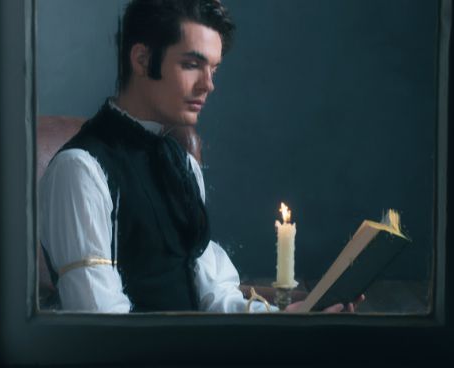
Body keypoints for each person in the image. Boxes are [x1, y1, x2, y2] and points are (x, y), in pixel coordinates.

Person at [38, 0, 363, 313]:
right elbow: (103, 329)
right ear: (141, 59)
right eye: (192, 65)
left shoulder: (185, 165)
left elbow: (214, 295)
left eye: (213, 69)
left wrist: (284, 319)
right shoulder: (80, 171)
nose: (208, 85)